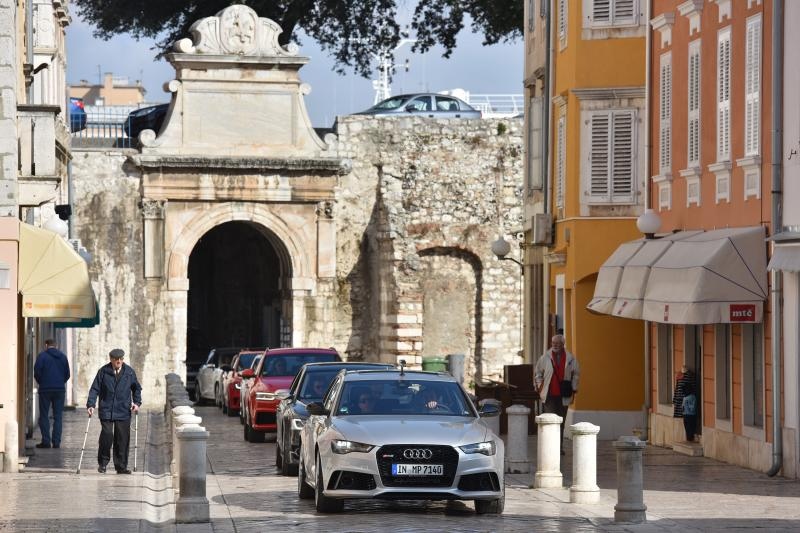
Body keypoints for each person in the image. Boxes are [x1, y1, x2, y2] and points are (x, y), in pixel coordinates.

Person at [86, 349, 142, 474]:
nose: (119, 361)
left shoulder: (129, 372)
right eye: (116, 359)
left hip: (123, 410)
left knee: (122, 439)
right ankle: (103, 463)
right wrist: (91, 404)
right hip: (107, 409)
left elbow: (136, 388)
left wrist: (137, 403)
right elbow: (95, 389)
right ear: (111, 359)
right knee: (107, 435)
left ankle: (121, 466)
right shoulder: (103, 372)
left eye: (121, 359)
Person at [534, 334, 580, 454]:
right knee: (550, 422)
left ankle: (559, 448)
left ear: (563, 344)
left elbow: (576, 374)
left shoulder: (570, 358)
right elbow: (538, 372)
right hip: (549, 395)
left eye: (557, 343)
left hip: (564, 395)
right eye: (553, 343)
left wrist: (574, 388)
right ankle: (550, 448)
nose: (554, 345)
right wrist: (539, 385)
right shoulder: (546, 357)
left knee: (561, 422)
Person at [33, 339, 71, 449]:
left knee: (44, 415)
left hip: (45, 389)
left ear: (46, 345)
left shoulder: (42, 356)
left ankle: (46, 441)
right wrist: (59, 382)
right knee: (58, 417)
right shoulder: (63, 357)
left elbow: (37, 372)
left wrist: (43, 382)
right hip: (59, 390)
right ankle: (56, 442)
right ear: (56, 345)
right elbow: (67, 374)